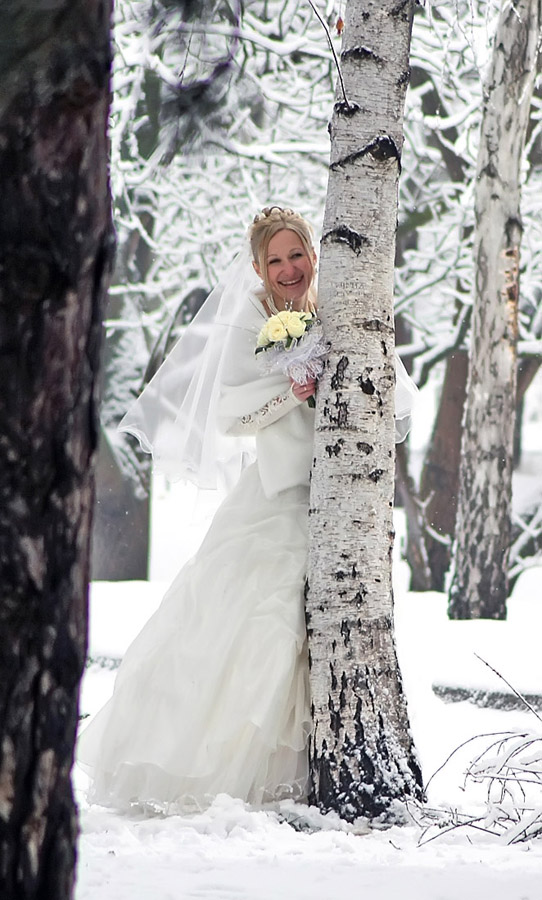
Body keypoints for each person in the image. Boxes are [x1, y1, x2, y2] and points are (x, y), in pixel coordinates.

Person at [78, 206, 416, 813]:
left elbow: (396, 408)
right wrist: (292, 389)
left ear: (314, 253)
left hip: (344, 501)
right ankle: (242, 779)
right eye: (275, 259)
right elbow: (231, 414)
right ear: (258, 267)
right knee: (265, 624)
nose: (289, 268)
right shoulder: (249, 321)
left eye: (297, 254)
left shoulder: (346, 305)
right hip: (278, 497)